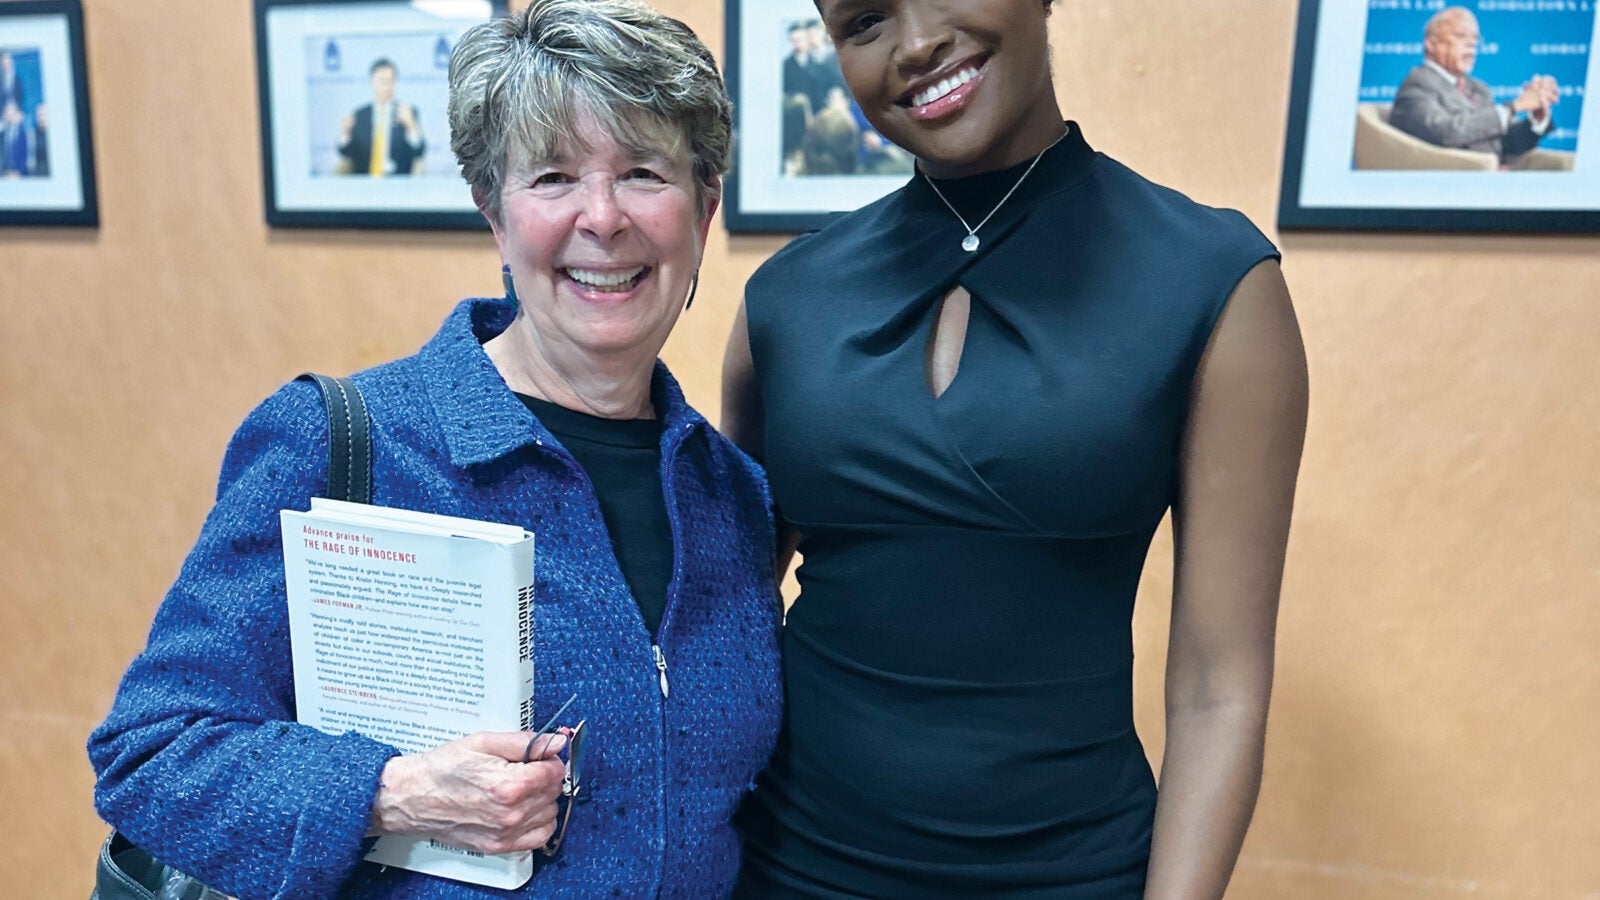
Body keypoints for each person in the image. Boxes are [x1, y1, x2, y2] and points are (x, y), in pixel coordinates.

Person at [89, 1, 782, 897]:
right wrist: (392, 793)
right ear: (494, 214)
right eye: (554, 177)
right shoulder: (350, 446)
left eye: (645, 172)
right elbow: (150, 752)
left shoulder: (731, 495)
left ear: (704, 211)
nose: (602, 218)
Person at [722, 0, 1308, 896]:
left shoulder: (1214, 283)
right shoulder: (788, 297)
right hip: (789, 866)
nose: (916, 43)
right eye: (866, 19)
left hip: (1071, 871)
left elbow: (1218, 687)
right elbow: (727, 614)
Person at [1388, 6, 1559, 163]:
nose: (1472, 45)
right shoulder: (1417, 84)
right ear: (1431, 44)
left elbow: (1506, 144)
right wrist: (1512, 107)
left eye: (1475, 39)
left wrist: (1537, 118)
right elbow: (1445, 133)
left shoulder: (1478, 88)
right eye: (1461, 36)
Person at [337, 57, 426, 177]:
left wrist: (411, 126)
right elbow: (345, 152)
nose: (386, 86)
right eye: (382, 81)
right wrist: (345, 133)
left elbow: (419, 151)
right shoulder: (360, 115)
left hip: (398, 183)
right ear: (372, 82)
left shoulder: (407, 112)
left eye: (390, 81)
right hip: (364, 182)